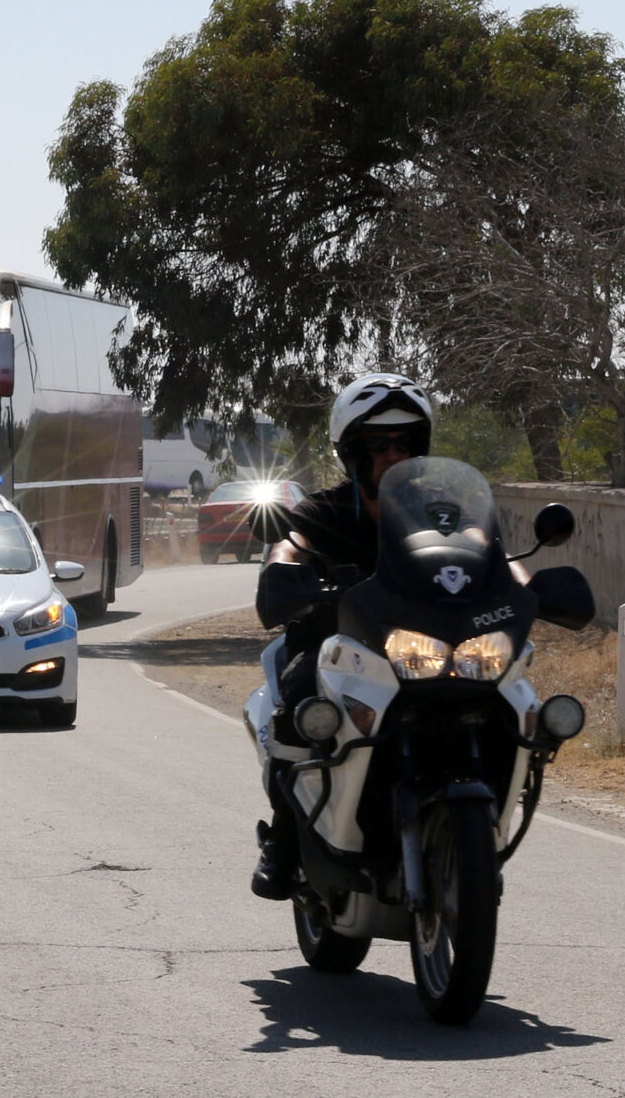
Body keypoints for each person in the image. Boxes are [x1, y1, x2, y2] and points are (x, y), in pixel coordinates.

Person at [249, 372, 432, 900]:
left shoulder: (437, 511)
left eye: (405, 444)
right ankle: (283, 841)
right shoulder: (321, 512)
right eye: (378, 445)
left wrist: (528, 583)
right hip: (337, 648)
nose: (393, 456)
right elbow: (290, 544)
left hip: (423, 650)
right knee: (301, 703)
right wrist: (286, 570)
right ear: (352, 453)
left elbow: (485, 551)